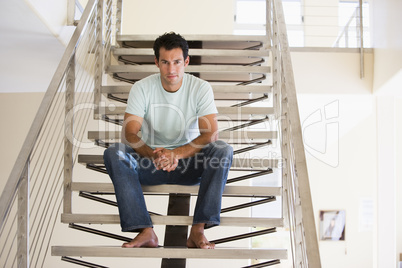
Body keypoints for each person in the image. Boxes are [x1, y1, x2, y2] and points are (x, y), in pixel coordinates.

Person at [103, 32, 233, 249]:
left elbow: (210, 134)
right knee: (114, 152)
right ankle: (146, 231)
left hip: (189, 163)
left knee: (222, 150)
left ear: (186, 62)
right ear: (156, 62)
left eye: (177, 62)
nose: (171, 69)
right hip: (150, 161)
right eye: (165, 62)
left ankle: (198, 230)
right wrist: (154, 154)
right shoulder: (142, 88)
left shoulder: (200, 88)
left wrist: (176, 154)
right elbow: (130, 133)